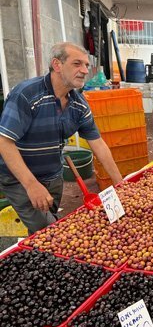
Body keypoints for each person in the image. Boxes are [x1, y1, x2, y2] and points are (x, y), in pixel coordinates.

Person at [0, 42, 122, 235]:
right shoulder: (27, 95)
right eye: (77, 64)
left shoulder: (78, 104)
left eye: (86, 65)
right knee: (49, 231)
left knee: (44, 231)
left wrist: (120, 184)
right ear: (57, 65)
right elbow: (4, 142)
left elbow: (98, 143)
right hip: (20, 178)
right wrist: (31, 185)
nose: (84, 70)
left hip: (53, 176)